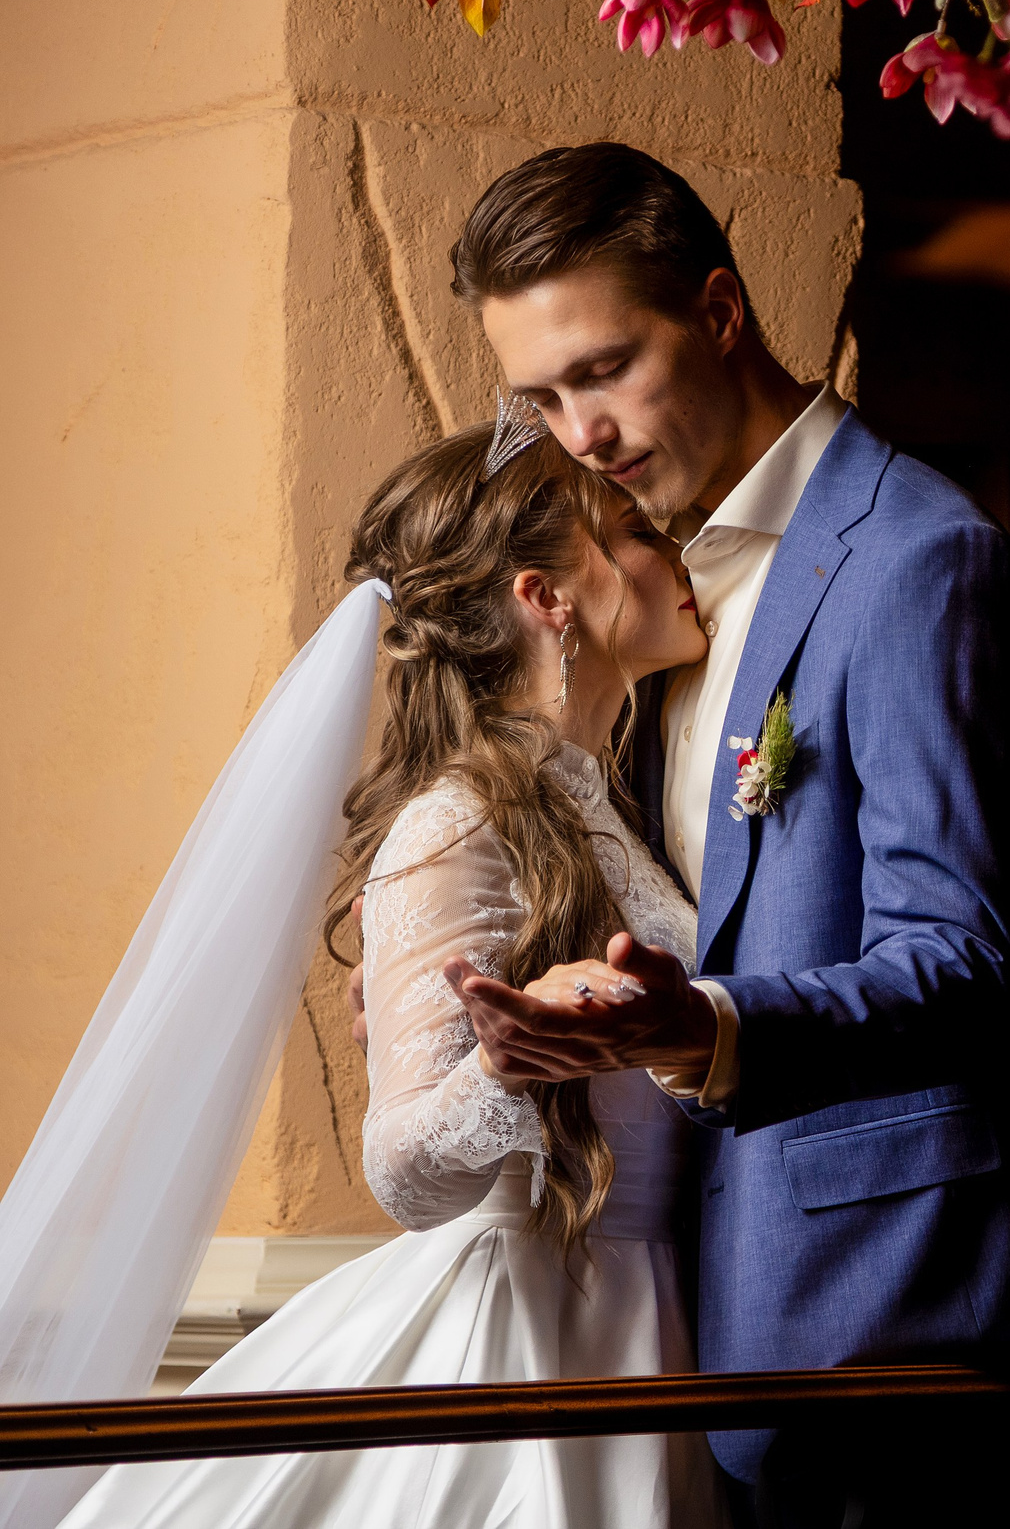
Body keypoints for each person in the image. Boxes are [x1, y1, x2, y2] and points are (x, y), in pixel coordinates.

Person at [424, 142, 1010, 1529]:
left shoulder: (918, 560)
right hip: (703, 1330)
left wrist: (703, 1028)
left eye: (606, 369)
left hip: (890, 1332)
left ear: (722, 311)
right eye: (542, 397)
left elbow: (962, 962)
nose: (580, 433)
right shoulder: (658, 593)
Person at [49, 422, 728, 1529]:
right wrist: (510, 1062)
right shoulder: (454, 822)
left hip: (658, 1316)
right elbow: (402, 1170)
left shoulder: (602, 801)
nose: (675, 546)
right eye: (633, 531)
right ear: (547, 598)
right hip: (531, 1338)